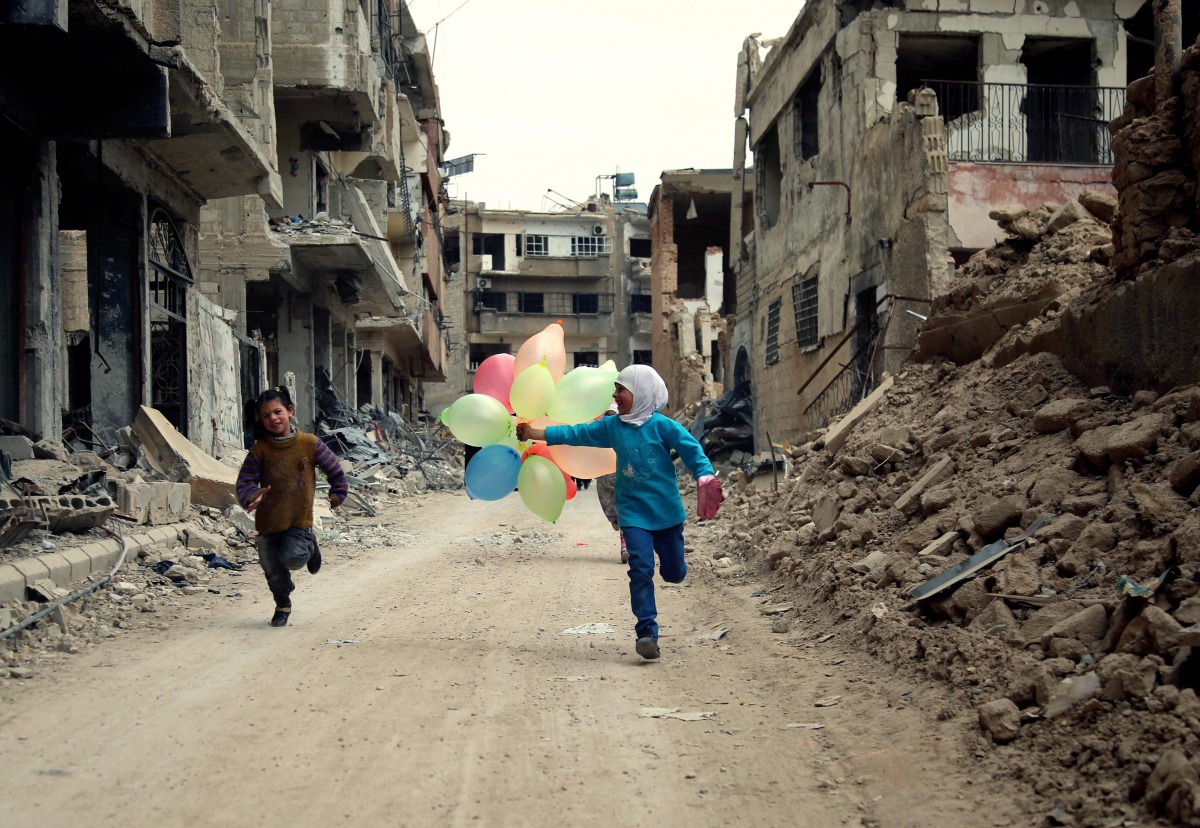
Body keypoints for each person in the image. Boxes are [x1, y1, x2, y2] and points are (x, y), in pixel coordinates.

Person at [519, 365, 724, 660]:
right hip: (633, 513)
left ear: (641, 393)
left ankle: (674, 569)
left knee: (674, 573)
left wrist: (704, 475)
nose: (614, 396)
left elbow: (692, 451)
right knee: (640, 568)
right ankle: (646, 632)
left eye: (620, 390)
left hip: (666, 512)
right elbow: (576, 433)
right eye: (615, 389)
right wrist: (534, 433)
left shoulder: (664, 426)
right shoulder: (613, 427)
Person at [236, 387, 348, 627]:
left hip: (298, 520)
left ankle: (310, 545)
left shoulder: (309, 443)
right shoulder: (260, 450)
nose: (273, 419)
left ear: (289, 411)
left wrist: (337, 493)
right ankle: (282, 605)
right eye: (266, 415)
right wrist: (250, 496)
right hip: (268, 522)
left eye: (277, 412)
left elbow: (336, 471)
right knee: (272, 569)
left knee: (292, 559)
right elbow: (245, 481)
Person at [593, 403, 627, 564]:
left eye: (613, 416)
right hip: (605, 478)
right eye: (608, 416)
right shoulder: (600, 432)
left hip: (624, 476)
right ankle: (616, 522)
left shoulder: (627, 431)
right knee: (611, 510)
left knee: (624, 510)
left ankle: (626, 546)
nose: (610, 419)